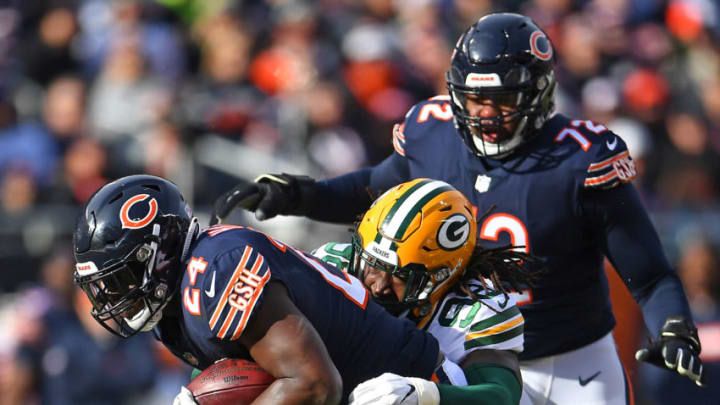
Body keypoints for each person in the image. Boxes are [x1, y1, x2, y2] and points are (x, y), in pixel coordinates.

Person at [211, 12, 707, 404]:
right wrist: (298, 195)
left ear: (538, 93)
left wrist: (674, 326)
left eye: (502, 100)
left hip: (570, 361)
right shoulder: (432, 131)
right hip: (464, 349)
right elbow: (374, 189)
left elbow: (649, 275)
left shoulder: (580, 160)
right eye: (474, 99)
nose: (485, 115)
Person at [73, 174, 484, 405]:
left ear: (158, 255)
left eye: (120, 279)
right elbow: (241, 366)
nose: (111, 297)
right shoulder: (176, 301)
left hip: (414, 387)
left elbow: (314, 385)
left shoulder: (219, 266)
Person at [311, 178, 539, 405]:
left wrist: (428, 395)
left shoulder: (478, 311)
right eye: (371, 265)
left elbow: (501, 397)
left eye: (399, 275)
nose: (379, 285)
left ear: (442, 275)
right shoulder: (331, 265)